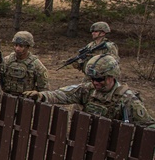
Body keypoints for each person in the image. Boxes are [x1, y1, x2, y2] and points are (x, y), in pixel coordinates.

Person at [24, 55, 155, 129]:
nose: (96, 82)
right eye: (93, 79)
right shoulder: (87, 90)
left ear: (112, 76)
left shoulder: (127, 99)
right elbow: (63, 94)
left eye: (100, 79)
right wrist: (42, 96)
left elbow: (148, 126)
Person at [0, 31, 49, 96]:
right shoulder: (7, 61)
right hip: (8, 98)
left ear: (28, 47)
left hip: (26, 101)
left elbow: (44, 90)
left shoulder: (36, 65)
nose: (17, 49)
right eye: (16, 45)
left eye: (21, 46)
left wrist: (37, 95)